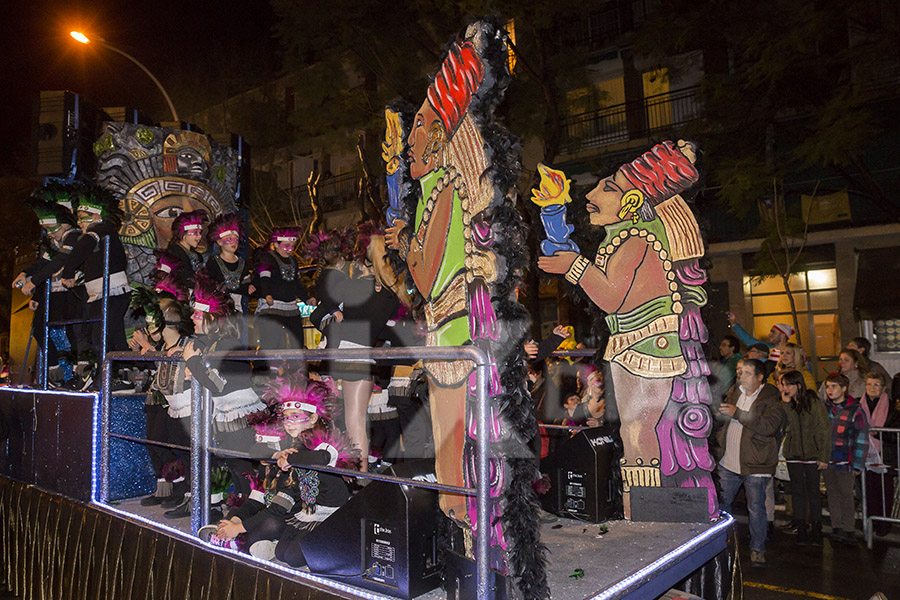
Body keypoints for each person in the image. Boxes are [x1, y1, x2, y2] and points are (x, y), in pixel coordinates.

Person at [199, 372, 355, 566]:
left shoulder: (325, 443)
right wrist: (276, 456)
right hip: (302, 514)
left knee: (292, 556)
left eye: (295, 417)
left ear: (313, 418)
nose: (289, 423)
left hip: (328, 515)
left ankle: (244, 541)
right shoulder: (289, 446)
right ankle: (244, 539)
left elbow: (319, 458)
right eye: (286, 418)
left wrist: (291, 459)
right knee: (282, 553)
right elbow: (256, 450)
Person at [176, 275, 266, 518]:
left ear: (211, 318)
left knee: (242, 465)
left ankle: (250, 514)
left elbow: (216, 384)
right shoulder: (213, 342)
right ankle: (242, 511)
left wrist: (192, 362)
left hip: (241, 414)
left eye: (197, 315)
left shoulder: (228, 344)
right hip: (227, 413)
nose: (193, 318)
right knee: (235, 464)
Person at [129, 286, 195, 507]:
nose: (149, 326)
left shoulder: (186, 343)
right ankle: (169, 486)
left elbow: (174, 363)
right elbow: (145, 364)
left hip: (180, 401)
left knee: (179, 447)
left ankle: (185, 491)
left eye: (153, 320)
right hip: (160, 397)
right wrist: (140, 348)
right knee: (154, 443)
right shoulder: (159, 341)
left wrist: (148, 346)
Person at [59, 185, 132, 380]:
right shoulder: (98, 235)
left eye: (83, 218)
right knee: (113, 335)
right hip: (103, 292)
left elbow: (84, 246)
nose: (79, 222)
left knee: (102, 335)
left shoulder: (101, 228)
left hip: (112, 291)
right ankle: (126, 373)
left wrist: (68, 270)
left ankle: (108, 377)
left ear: (96, 216)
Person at [716, 358, 783, 568]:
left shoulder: (771, 398)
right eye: (739, 371)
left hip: (756, 463)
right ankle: (721, 545)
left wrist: (738, 414)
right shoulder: (735, 392)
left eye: (746, 372)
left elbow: (769, 426)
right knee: (721, 506)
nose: (740, 376)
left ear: (759, 377)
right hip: (728, 461)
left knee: (756, 509)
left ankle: (757, 549)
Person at [779, 369, 830, 546]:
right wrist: (786, 404)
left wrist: (824, 456)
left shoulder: (813, 402)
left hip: (812, 454)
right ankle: (801, 528)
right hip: (793, 454)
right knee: (797, 493)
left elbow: (824, 428)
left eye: (788, 385)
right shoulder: (788, 403)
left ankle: (816, 529)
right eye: (783, 385)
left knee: (814, 492)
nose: (785, 388)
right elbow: (788, 425)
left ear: (798, 385)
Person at [821, 372, 869, 545]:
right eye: (827, 387)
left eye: (834, 386)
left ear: (844, 388)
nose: (830, 390)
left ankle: (849, 529)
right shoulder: (824, 408)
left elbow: (861, 438)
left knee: (846, 494)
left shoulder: (854, 409)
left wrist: (857, 464)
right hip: (828, 459)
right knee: (831, 493)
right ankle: (836, 527)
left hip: (845, 459)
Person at [254, 227, 309, 353]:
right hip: (272, 305)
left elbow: (296, 283)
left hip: (291, 307)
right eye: (286, 245)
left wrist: (307, 299)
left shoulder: (293, 261)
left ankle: (296, 371)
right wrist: (267, 294)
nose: (290, 249)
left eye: (292, 246)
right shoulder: (267, 258)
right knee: (271, 343)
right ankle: (262, 370)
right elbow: (264, 278)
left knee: (298, 341)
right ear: (275, 244)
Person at [859, 371, 899, 537]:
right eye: (869, 384)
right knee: (867, 489)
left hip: (885, 454)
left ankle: (884, 524)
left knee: (884, 490)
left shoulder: (892, 406)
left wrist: (879, 433)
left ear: (883, 388)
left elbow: (896, 431)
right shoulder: (858, 404)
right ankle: (869, 522)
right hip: (865, 453)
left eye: (876, 385)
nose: (872, 388)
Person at [203, 212, 254, 314]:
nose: (233, 242)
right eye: (229, 239)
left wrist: (249, 287)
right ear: (219, 242)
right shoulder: (213, 262)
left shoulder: (243, 262)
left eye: (236, 239)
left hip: (237, 308)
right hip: (219, 308)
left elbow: (245, 281)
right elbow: (208, 285)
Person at [727, 313, 793, 370]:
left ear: (783, 335)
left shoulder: (794, 351)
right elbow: (748, 340)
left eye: (773, 332)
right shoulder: (768, 349)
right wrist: (734, 323)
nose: (769, 335)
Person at [166, 210, 208, 288]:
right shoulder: (174, 252)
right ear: (183, 234)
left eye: (200, 233)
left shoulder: (193, 253)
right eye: (195, 233)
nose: (200, 236)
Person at [714, 335, 742, 400]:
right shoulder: (726, 361)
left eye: (724, 345)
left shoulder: (734, 361)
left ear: (732, 348)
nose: (720, 347)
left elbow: (722, 380)